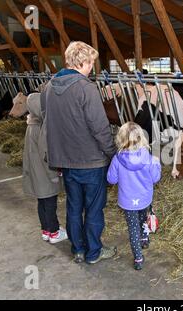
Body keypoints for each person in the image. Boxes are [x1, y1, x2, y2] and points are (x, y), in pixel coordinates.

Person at [40, 41, 117, 264]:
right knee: (93, 208)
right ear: (82, 61)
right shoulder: (86, 88)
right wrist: (112, 153)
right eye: (91, 62)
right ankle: (94, 252)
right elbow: (100, 127)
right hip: (91, 161)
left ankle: (78, 250)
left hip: (65, 161)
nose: (92, 67)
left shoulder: (49, 87)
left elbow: (48, 120)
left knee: (74, 206)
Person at [107, 122, 161, 270]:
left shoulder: (117, 159)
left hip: (128, 201)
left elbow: (111, 179)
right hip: (144, 199)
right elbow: (155, 178)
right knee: (143, 218)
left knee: (132, 228)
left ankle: (138, 258)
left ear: (120, 139)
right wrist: (157, 165)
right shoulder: (148, 158)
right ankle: (145, 237)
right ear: (141, 137)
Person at [18, 93, 68, 244]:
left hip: (34, 171)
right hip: (44, 172)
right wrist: (55, 171)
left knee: (42, 202)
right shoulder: (40, 127)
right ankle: (54, 232)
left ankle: (45, 230)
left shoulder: (31, 125)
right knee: (50, 202)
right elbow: (46, 153)